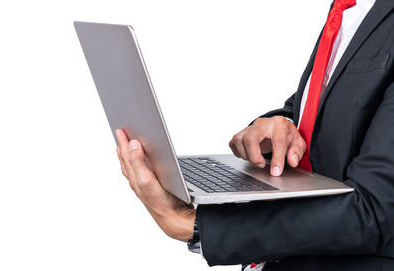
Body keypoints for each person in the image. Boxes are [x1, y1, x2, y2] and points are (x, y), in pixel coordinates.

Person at [115, 0, 394, 270]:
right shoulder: (348, 8)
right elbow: (320, 105)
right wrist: (278, 125)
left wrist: (195, 225)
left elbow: (373, 212)